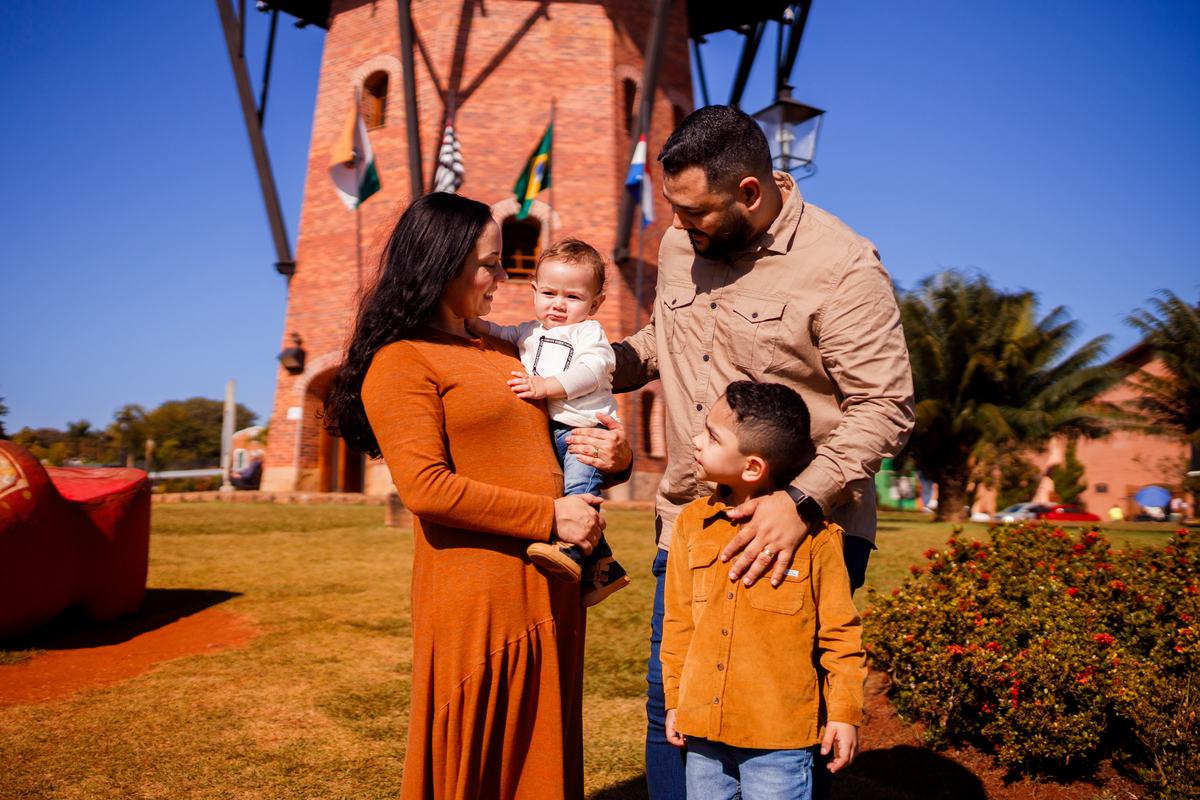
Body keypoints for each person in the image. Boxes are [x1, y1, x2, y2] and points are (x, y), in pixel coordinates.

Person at [610, 105, 914, 799]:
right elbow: (661, 342)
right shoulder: (681, 246)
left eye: (695, 212)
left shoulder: (842, 266)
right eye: (672, 209)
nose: (679, 227)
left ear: (751, 192)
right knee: (675, 707)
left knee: (778, 716)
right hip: (688, 518)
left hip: (804, 530)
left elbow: (886, 406)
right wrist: (579, 365)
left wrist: (798, 502)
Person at [322, 193, 630, 799]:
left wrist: (612, 461)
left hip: (551, 580)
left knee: (542, 755)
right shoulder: (402, 360)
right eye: (490, 263)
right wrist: (550, 514)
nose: (504, 277)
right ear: (445, 264)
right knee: (477, 755)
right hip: (477, 590)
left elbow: (555, 440)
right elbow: (426, 489)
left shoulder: (509, 349)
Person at [662, 381, 865, 799]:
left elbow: (841, 634)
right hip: (701, 732)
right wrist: (674, 699)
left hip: (779, 739)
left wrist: (845, 713)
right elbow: (679, 623)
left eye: (713, 436)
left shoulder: (821, 540)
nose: (696, 441)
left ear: (752, 467)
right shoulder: (689, 524)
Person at [468, 238, 630, 606]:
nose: (558, 304)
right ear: (535, 291)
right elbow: (501, 333)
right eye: (549, 293)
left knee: (578, 493)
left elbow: (593, 370)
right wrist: (473, 322)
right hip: (552, 431)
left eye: (572, 297)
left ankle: (570, 554)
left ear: (595, 304)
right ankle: (603, 569)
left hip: (586, 430)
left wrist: (544, 386)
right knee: (563, 493)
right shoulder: (530, 331)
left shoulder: (588, 332)